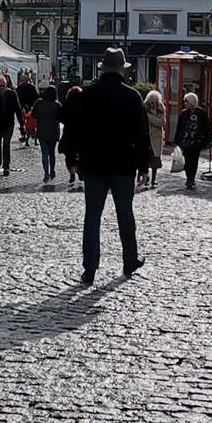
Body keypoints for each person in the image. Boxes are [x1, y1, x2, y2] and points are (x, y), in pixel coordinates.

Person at [64, 48, 149, 284]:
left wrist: (72, 158)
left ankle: (90, 268)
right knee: (125, 214)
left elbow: (74, 129)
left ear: (102, 68)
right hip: (123, 165)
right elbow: (142, 134)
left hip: (93, 165)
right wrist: (144, 165)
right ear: (122, 68)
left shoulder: (87, 95)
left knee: (92, 217)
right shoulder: (132, 96)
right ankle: (129, 260)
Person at [174, 91, 212, 189]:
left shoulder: (201, 113)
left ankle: (191, 179)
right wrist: (177, 141)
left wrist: (209, 139)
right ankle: (188, 178)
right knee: (187, 160)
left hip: (197, 142)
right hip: (185, 141)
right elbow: (179, 128)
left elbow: (207, 127)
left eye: (186, 102)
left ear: (192, 102)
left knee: (194, 161)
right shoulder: (183, 114)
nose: (185, 104)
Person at [31, 84, 64, 184]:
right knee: (52, 153)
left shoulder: (38, 103)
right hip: (53, 132)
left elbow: (33, 115)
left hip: (41, 131)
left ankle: (46, 173)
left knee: (44, 154)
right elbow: (61, 118)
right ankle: (52, 170)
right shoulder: (57, 105)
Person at [59, 83, 84, 189]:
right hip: (81, 133)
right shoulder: (84, 105)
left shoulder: (66, 105)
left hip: (69, 132)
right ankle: (79, 171)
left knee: (69, 155)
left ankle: (72, 172)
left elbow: (62, 118)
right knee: (80, 154)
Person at [141, 88, 166, 189]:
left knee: (156, 158)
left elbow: (162, 123)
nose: (154, 104)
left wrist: (151, 118)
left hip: (157, 136)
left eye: (155, 102)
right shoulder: (144, 108)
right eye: (152, 102)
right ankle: (145, 177)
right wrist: (155, 120)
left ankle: (153, 179)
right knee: (146, 158)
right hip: (147, 135)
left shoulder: (161, 108)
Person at [16, 72, 39, 147]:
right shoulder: (19, 88)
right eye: (22, 79)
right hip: (22, 108)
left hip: (30, 107)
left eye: (25, 79)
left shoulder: (31, 87)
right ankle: (24, 135)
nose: (23, 81)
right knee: (22, 122)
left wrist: (32, 106)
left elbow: (36, 97)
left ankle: (32, 135)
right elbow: (17, 98)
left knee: (32, 122)